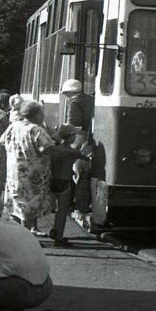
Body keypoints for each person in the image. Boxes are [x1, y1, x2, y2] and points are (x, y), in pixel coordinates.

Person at [0, 101, 57, 235]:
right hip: (32, 177)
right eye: (41, 113)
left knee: (16, 207)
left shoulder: (13, 127)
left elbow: (2, 140)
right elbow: (48, 149)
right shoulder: (36, 130)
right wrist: (72, 152)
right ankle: (25, 239)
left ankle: (16, 235)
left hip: (14, 174)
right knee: (28, 207)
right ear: (37, 114)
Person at [60, 79, 95, 218]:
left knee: (78, 172)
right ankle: (83, 203)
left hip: (79, 139)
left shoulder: (74, 102)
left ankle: (79, 205)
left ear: (68, 92)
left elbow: (73, 126)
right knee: (85, 171)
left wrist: (60, 136)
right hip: (91, 139)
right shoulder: (90, 99)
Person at [48, 123, 87, 248]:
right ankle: (59, 238)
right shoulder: (71, 151)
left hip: (53, 180)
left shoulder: (55, 149)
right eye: (74, 134)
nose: (76, 136)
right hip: (64, 182)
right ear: (70, 137)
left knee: (56, 210)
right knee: (62, 211)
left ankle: (54, 230)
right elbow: (85, 158)